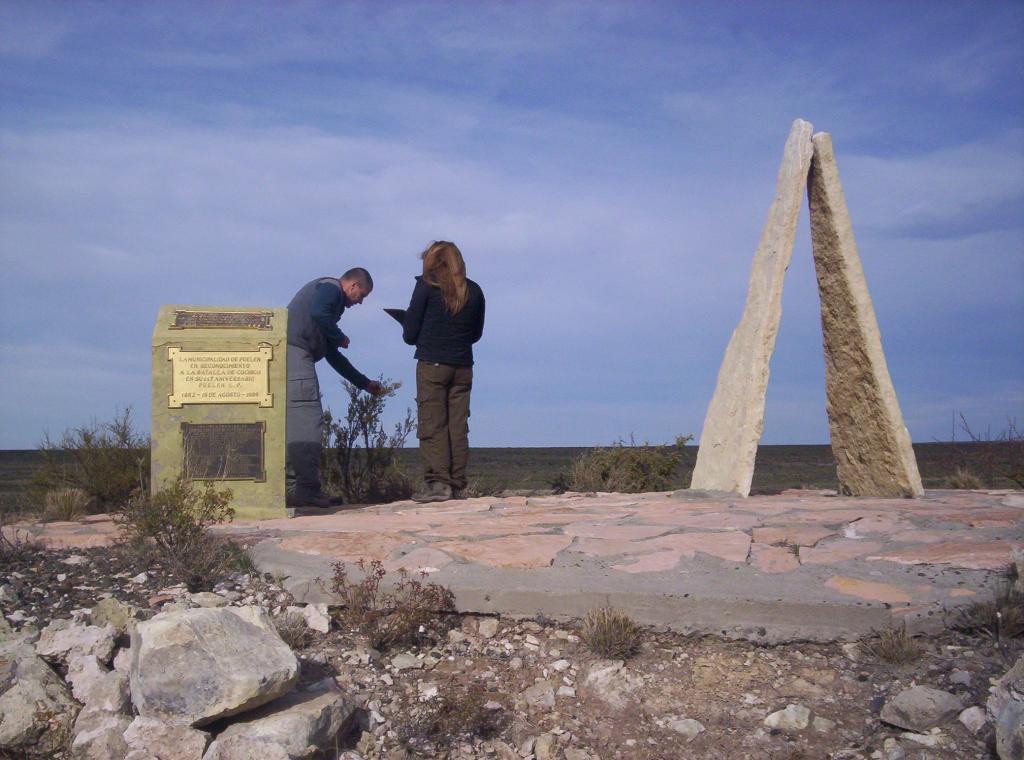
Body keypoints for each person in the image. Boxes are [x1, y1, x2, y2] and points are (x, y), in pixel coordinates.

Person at [286, 268, 383, 507]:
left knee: (295, 421)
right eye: (362, 295)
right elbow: (319, 313)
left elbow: (332, 355)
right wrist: (339, 335)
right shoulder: (330, 289)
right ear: (352, 286)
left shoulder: (329, 304)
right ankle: (306, 491)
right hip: (295, 353)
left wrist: (364, 383)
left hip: (293, 354)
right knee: (307, 418)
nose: (360, 302)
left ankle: (293, 488)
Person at [402, 241, 485, 503]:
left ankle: (438, 484)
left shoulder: (427, 286)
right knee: (457, 426)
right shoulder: (475, 290)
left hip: (432, 365)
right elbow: (475, 334)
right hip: (463, 366)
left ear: (432, 262)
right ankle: (457, 483)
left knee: (432, 424)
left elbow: (410, 334)